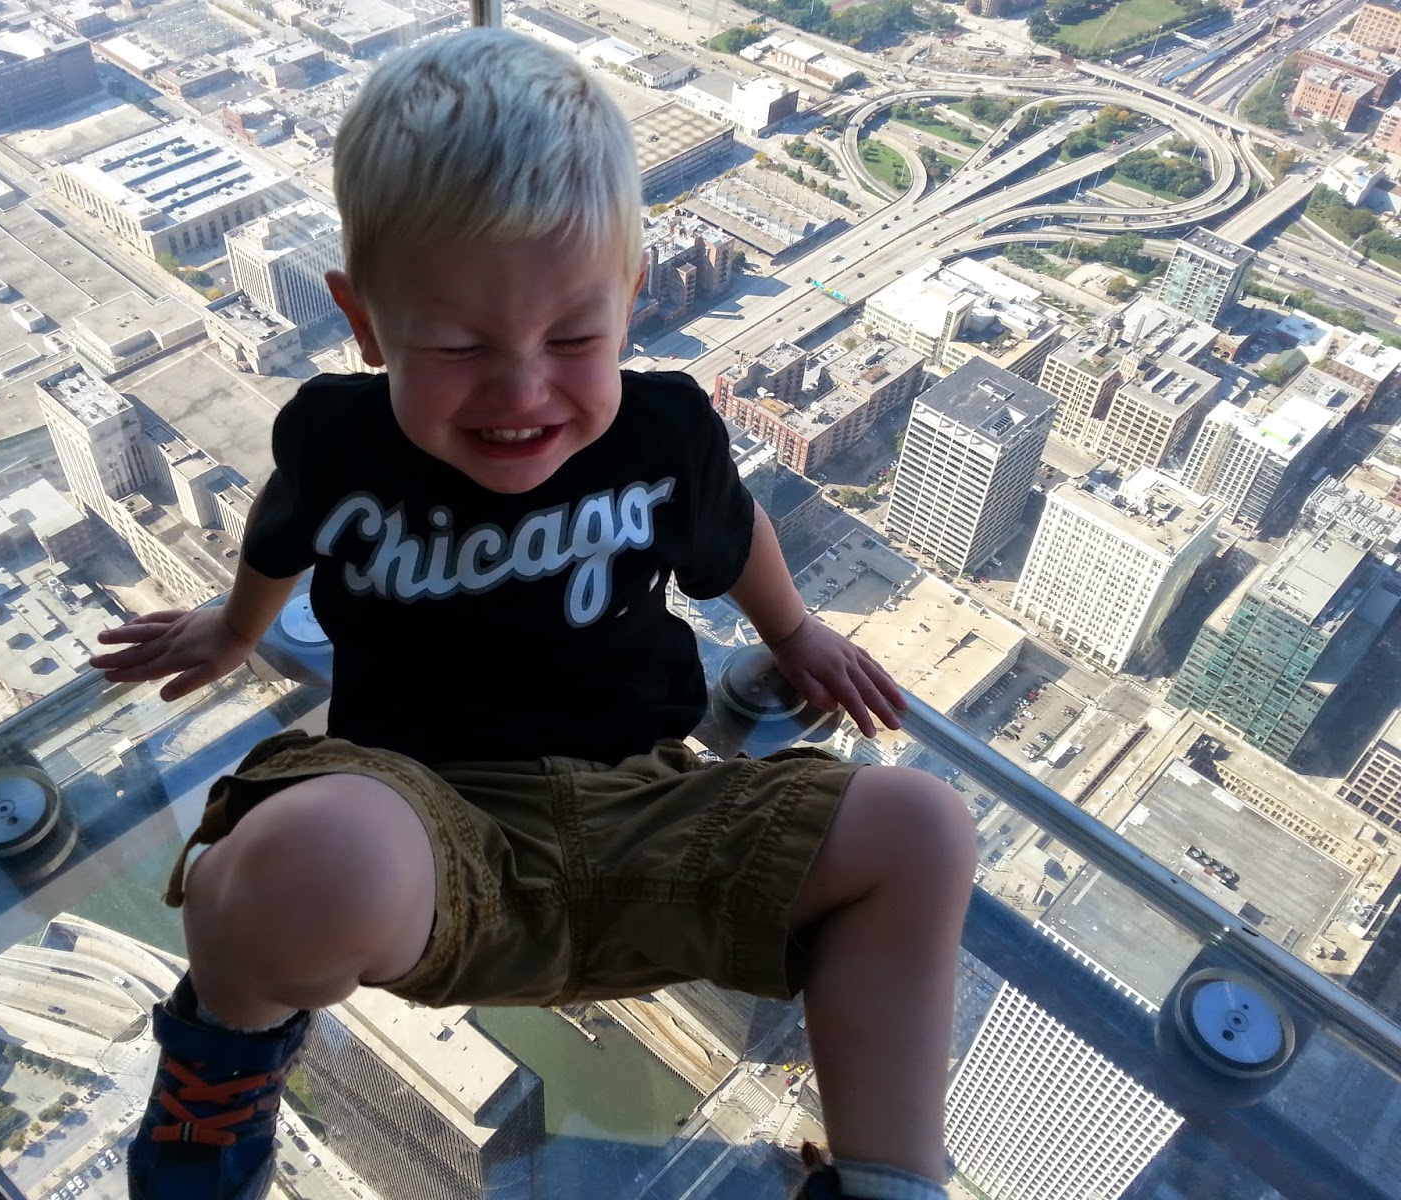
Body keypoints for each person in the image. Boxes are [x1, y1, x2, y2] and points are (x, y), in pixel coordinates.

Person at [92, 27, 975, 1200]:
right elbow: (281, 530)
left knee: (922, 828)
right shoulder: (337, 437)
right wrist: (235, 629)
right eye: (458, 346)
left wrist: (795, 633)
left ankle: (886, 1185)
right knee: (303, 859)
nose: (521, 390)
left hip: (647, 813)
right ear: (366, 323)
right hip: (427, 826)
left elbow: (730, 528)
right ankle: (220, 1076)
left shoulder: (663, 432)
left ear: (631, 298)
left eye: (573, 337)